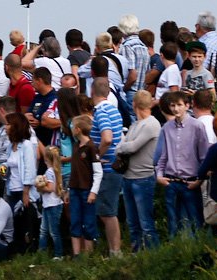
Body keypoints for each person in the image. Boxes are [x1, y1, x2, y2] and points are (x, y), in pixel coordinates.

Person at [157, 91, 210, 236]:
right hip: (171, 181)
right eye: (173, 105)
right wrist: (159, 175)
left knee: (196, 222)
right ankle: (176, 252)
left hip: (190, 182)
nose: (176, 109)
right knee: (173, 224)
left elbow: (204, 157)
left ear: (187, 106)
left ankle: (199, 252)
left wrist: (199, 181)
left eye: (179, 105)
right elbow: (164, 155)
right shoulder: (167, 128)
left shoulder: (197, 126)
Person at [115, 90, 160, 251]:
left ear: (134, 105)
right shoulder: (135, 124)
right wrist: (123, 147)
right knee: (132, 222)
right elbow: (123, 146)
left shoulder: (152, 124)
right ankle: (136, 253)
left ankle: (153, 254)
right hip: (128, 177)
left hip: (143, 178)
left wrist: (122, 147)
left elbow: (131, 146)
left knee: (146, 222)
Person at [90, 77, 124, 256]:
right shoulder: (114, 110)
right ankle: (114, 249)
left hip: (107, 169)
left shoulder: (101, 111)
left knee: (107, 212)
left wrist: (96, 157)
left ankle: (115, 251)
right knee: (107, 211)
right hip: (114, 167)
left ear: (92, 91)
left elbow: (107, 138)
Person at [69, 115, 102, 254]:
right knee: (75, 221)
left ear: (77, 129)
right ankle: (76, 254)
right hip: (74, 189)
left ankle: (89, 255)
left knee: (88, 222)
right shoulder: (76, 146)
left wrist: (93, 191)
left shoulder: (91, 147)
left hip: (86, 190)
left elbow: (98, 172)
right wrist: (67, 189)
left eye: (72, 126)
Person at [37, 146, 65, 259]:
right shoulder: (56, 169)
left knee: (53, 231)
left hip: (52, 205)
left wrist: (39, 187)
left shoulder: (49, 171)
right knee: (44, 230)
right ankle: (41, 252)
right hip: (50, 204)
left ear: (46, 158)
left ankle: (59, 254)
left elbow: (50, 188)